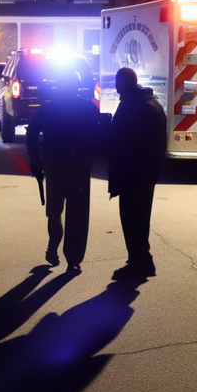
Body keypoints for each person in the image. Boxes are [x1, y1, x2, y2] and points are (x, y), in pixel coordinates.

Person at [26, 71, 101, 272]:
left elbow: (32, 132)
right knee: (77, 211)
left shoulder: (48, 108)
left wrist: (35, 160)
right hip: (79, 164)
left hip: (55, 163)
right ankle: (73, 258)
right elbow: (99, 134)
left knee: (55, 209)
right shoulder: (87, 107)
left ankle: (53, 246)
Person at [108, 67, 168, 281]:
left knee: (132, 219)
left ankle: (138, 263)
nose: (115, 88)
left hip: (133, 174)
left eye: (117, 83)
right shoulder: (151, 102)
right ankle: (142, 260)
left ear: (122, 84)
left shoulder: (133, 106)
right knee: (141, 219)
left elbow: (121, 140)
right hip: (146, 173)